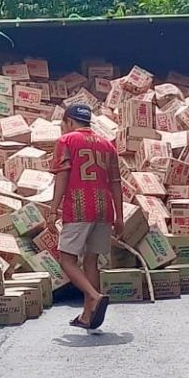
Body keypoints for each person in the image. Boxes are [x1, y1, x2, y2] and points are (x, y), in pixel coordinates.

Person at [49, 103, 123, 330]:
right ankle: (87, 316)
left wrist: (53, 209)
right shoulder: (107, 145)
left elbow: (62, 176)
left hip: (79, 207)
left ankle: (94, 296)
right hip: (104, 209)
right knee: (91, 260)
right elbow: (116, 183)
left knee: (67, 259)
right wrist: (120, 217)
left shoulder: (67, 141)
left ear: (69, 121)